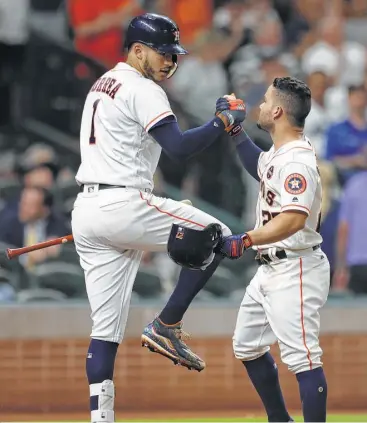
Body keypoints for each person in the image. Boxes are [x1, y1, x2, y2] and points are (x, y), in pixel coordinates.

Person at [71, 13, 246, 423]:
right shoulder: (141, 87)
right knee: (215, 232)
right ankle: (167, 323)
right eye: (164, 53)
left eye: (174, 55)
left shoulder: (101, 85)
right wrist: (222, 122)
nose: (170, 62)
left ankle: (101, 419)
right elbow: (179, 149)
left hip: (89, 209)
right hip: (124, 202)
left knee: (106, 331)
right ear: (136, 50)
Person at [214, 78, 330, 422]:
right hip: (271, 267)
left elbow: (293, 219)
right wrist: (235, 131)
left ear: (278, 111)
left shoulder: (298, 161)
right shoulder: (282, 152)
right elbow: (260, 168)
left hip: (295, 265)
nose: (261, 106)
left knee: (304, 358)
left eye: (265, 101)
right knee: (247, 345)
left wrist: (247, 238)